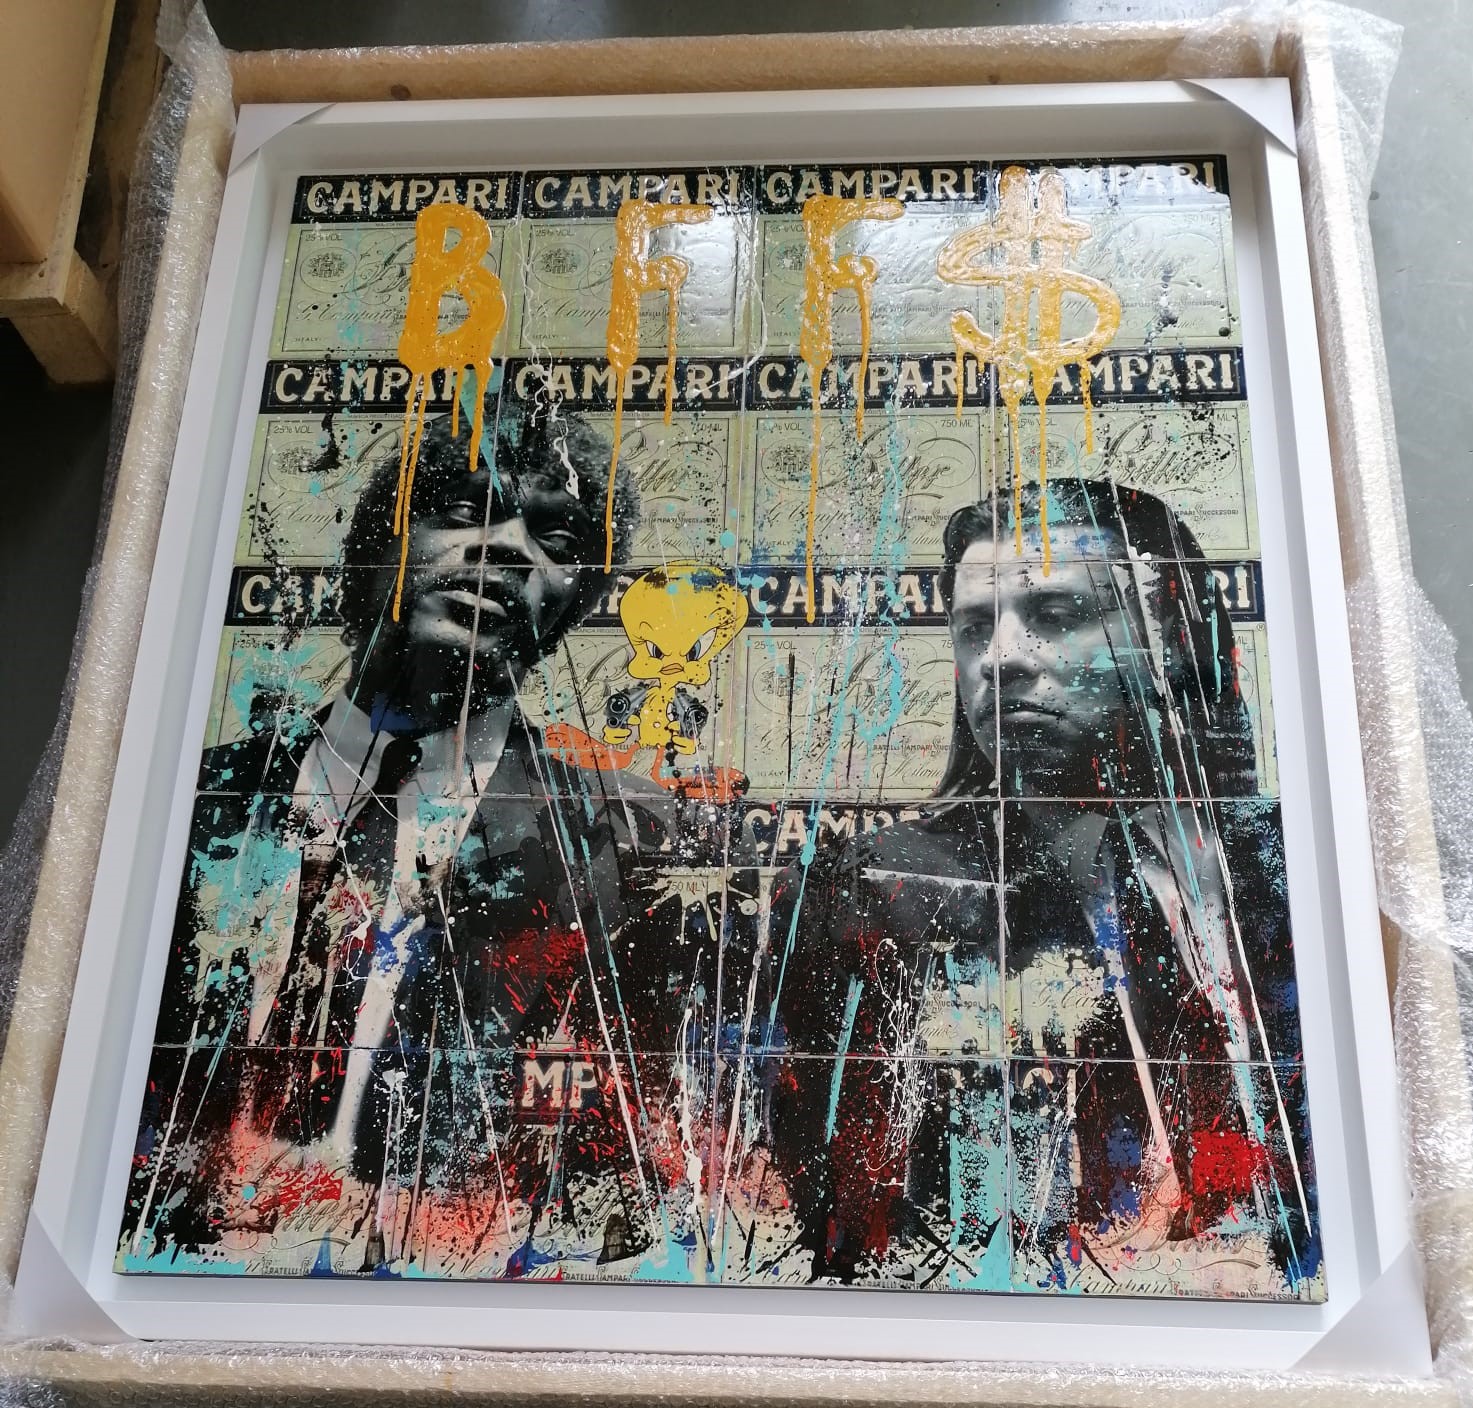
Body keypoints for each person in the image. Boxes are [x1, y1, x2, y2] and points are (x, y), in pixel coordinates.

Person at [124, 398, 719, 1276]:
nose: (506, 548)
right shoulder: (186, 805)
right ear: (381, 542)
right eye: (465, 509)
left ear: (574, 605)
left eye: (555, 540)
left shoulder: (630, 842)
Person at [767, 479, 1319, 1297]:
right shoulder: (875, 895)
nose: (1001, 658)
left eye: (1058, 616)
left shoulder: (1293, 866)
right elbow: (847, 1223)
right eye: (972, 628)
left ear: (1170, 637)